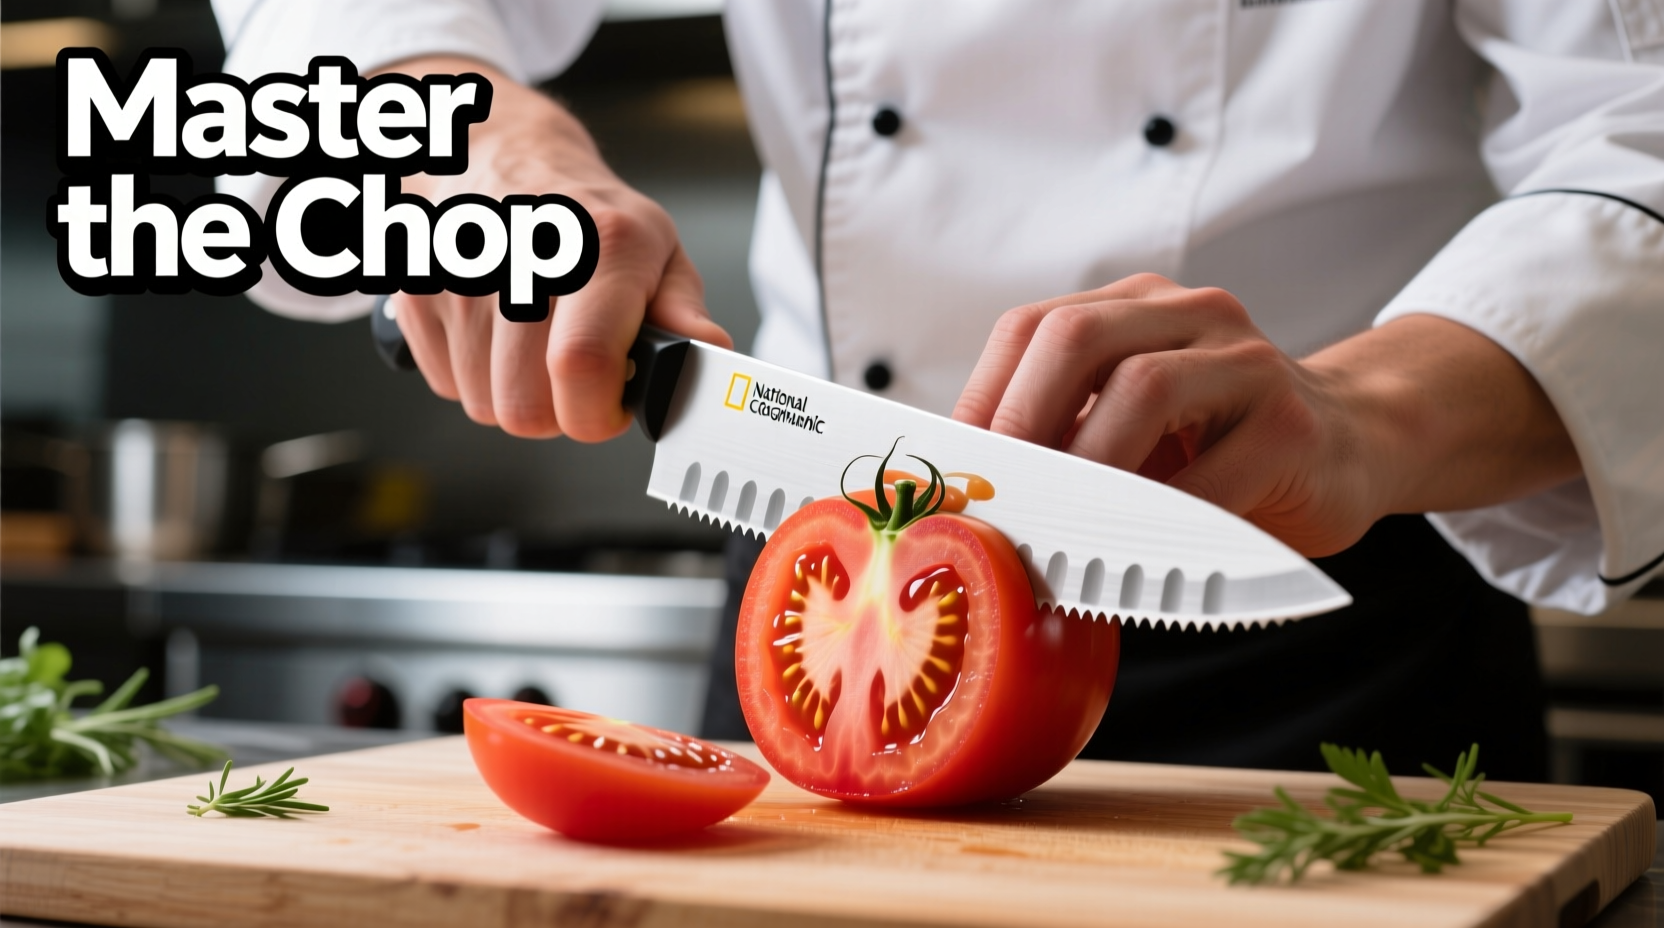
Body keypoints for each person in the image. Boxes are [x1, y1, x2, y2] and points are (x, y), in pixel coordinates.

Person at [210, 1, 1664, 779]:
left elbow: (1641, 127)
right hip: (822, 602)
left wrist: (1369, 411)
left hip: (1319, 585)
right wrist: (468, 138)